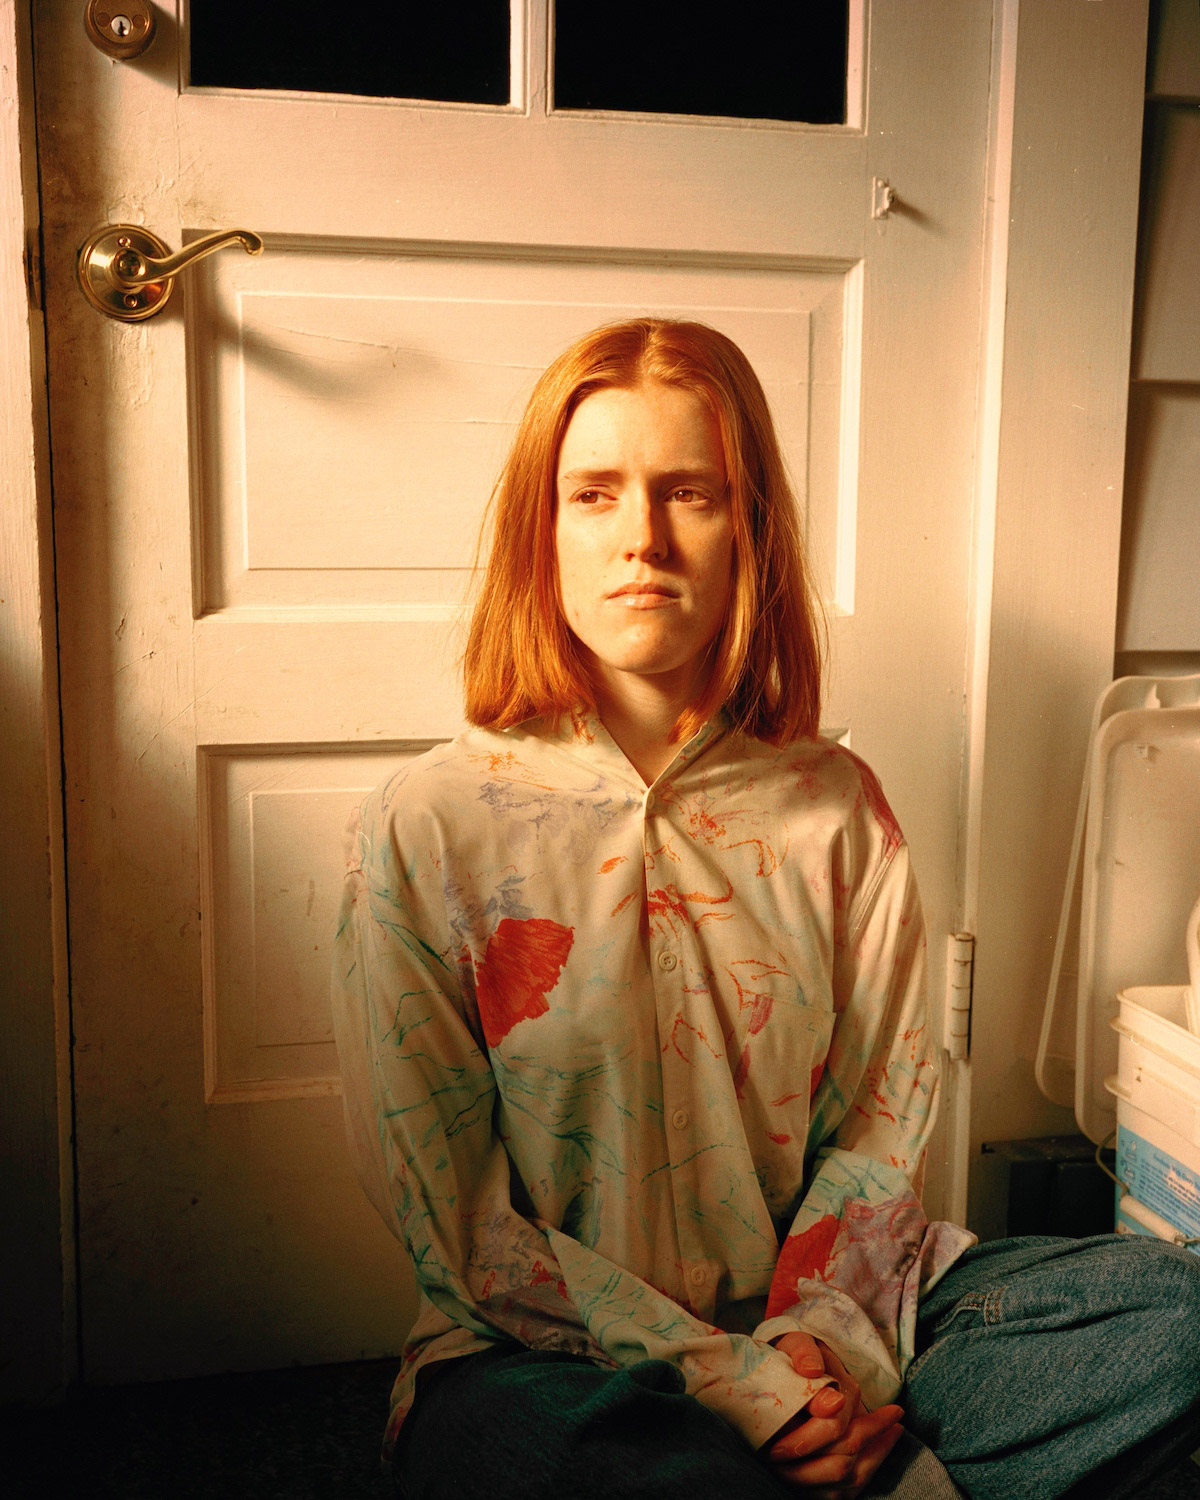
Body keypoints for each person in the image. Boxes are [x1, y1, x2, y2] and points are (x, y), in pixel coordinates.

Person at [332, 319, 1200, 1500]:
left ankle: (819, 1456)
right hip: (543, 1360)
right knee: (609, 1466)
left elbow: (879, 1140)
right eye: (594, 493)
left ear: (748, 528)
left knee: (1175, 1315)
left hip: (832, 1323)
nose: (642, 538)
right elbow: (460, 1225)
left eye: (688, 492)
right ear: (544, 531)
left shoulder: (837, 810)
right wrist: (737, 1389)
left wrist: (814, 1357)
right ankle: (843, 1470)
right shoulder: (426, 825)